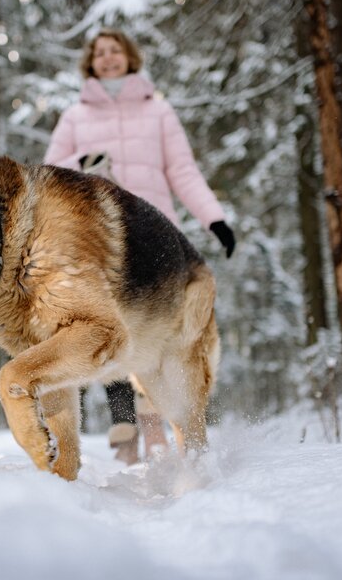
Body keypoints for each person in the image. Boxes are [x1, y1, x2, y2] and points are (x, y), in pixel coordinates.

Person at [44, 28, 235, 465]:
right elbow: (52, 171)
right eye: (100, 53)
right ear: (90, 63)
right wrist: (84, 164)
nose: (108, 58)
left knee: (155, 327)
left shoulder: (159, 112)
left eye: (116, 51)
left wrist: (215, 218)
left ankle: (154, 425)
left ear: (130, 58)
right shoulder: (75, 115)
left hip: (153, 234)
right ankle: (123, 424)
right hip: (101, 237)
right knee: (109, 319)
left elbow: (182, 169)